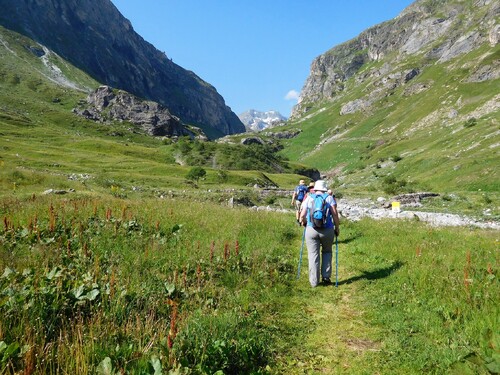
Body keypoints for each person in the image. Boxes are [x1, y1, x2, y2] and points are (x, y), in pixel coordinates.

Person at [299, 180, 340, 287]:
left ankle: (314, 282)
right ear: (324, 189)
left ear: (315, 188)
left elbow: (302, 215)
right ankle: (326, 277)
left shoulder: (309, 197)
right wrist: (337, 228)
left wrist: (303, 222)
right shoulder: (329, 198)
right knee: (327, 252)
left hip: (311, 229)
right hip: (327, 230)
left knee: (313, 254)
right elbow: (335, 215)